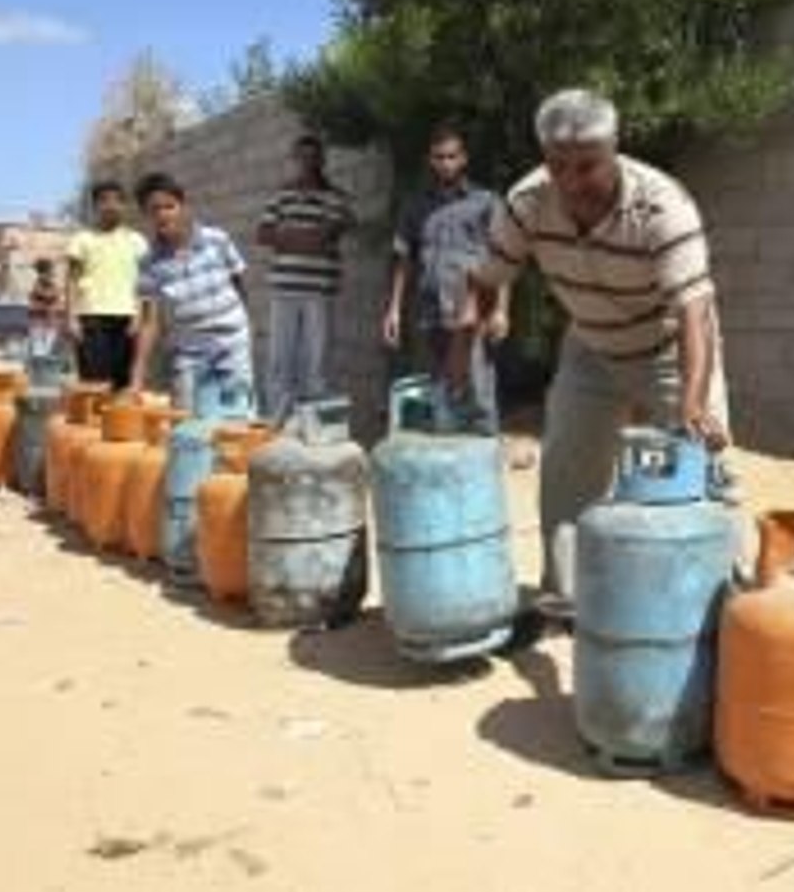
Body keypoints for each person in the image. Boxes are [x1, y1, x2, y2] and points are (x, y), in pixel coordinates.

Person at [472, 89, 731, 612]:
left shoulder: (662, 205)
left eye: (587, 166)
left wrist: (693, 403)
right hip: (589, 346)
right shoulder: (527, 201)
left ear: (614, 149)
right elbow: (488, 274)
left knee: (709, 475)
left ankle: (717, 607)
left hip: (667, 349)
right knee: (567, 472)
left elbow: (694, 314)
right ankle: (566, 601)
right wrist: (465, 357)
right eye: (558, 167)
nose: (571, 183)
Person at [383, 124, 515, 439]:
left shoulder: (485, 202)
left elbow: (505, 258)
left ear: (464, 158)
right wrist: (394, 311)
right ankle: (450, 464)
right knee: (441, 391)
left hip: (473, 312)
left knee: (479, 388)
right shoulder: (415, 205)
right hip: (430, 312)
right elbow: (403, 259)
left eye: (452, 156)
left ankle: (483, 467)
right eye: (439, 157)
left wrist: (501, 310)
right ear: (431, 160)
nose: (446, 163)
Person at [128, 173, 255, 417]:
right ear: (146, 215)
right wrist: (137, 377)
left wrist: (245, 326)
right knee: (189, 425)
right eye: (154, 209)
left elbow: (239, 284)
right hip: (189, 351)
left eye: (169, 206)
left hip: (232, 344)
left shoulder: (216, 240)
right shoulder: (149, 264)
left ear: (183, 206)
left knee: (237, 421)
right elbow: (149, 322)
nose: (163, 214)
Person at [257, 134, 355, 421]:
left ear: (322, 160)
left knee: (317, 363)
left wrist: (286, 236)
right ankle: (276, 421)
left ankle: (312, 424)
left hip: (319, 290)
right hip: (283, 287)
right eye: (302, 156)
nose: (308, 162)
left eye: (314, 156)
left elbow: (331, 233)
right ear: (295, 159)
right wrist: (309, 237)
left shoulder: (335, 196)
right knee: (279, 360)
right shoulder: (281, 195)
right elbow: (263, 234)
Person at [65, 180, 148, 388]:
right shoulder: (82, 239)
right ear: (95, 206)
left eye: (117, 200)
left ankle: (115, 420)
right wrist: (71, 318)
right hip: (92, 318)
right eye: (104, 201)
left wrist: (138, 316)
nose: (110, 205)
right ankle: (93, 421)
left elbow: (144, 284)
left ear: (124, 206)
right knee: (94, 382)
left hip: (126, 319)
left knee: (122, 382)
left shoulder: (137, 241)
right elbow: (72, 280)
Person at [26, 258, 64, 360]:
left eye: (51, 272)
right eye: (50, 272)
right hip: (39, 322)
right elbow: (46, 297)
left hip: (49, 323)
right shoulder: (37, 285)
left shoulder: (52, 285)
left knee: (45, 351)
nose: (52, 275)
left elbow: (56, 301)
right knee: (39, 352)